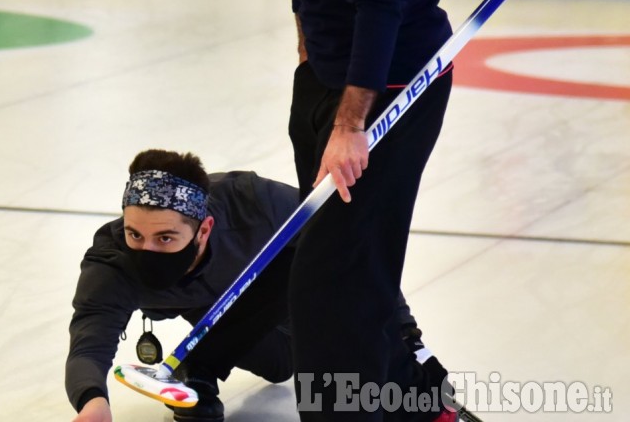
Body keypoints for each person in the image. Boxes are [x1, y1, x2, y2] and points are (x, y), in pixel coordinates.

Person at [225, 0, 456, 421]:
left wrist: (352, 123)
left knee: (329, 288)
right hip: (327, 78)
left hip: (395, 84)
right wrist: (309, 48)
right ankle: (417, 403)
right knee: (355, 265)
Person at [66, 149, 448, 422]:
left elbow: (356, 249)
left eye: (165, 238)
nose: (146, 249)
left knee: (295, 356)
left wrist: (404, 330)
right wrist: (92, 401)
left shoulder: (255, 204)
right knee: (280, 362)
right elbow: (89, 341)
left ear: (204, 230)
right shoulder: (112, 260)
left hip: (279, 294)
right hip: (206, 316)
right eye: (135, 234)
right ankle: (199, 369)